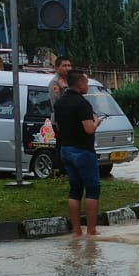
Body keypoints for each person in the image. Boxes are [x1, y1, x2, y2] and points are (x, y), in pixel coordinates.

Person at [54, 69, 104, 237]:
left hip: (66, 150)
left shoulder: (59, 103)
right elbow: (89, 129)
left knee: (75, 189)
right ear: (80, 83)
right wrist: (96, 122)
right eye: (86, 82)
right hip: (83, 151)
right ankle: (91, 231)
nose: (87, 85)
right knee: (92, 189)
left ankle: (76, 231)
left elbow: (57, 127)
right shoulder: (82, 104)